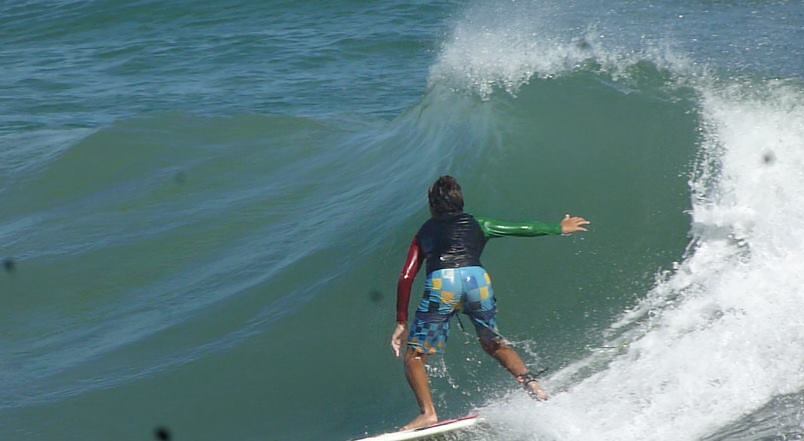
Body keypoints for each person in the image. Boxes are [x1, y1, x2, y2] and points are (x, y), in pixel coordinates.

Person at [390, 175, 589, 430]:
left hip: (443, 283)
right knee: (493, 342)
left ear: (432, 205)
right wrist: (558, 228)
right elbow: (521, 228)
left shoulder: (424, 233)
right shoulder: (479, 223)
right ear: (460, 202)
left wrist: (401, 322)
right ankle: (534, 388)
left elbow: (407, 276)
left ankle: (428, 413)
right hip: (477, 281)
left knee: (415, 355)